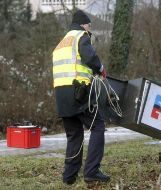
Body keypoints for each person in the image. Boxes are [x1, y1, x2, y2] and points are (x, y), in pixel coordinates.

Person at [52, 10, 110, 184]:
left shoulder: (61, 43)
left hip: (61, 96)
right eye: (89, 25)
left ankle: (69, 177)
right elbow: (89, 57)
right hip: (78, 92)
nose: (89, 28)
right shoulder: (81, 36)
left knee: (74, 134)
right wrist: (100, 68)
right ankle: (92, 171)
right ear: (84, 24)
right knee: (98, 126)